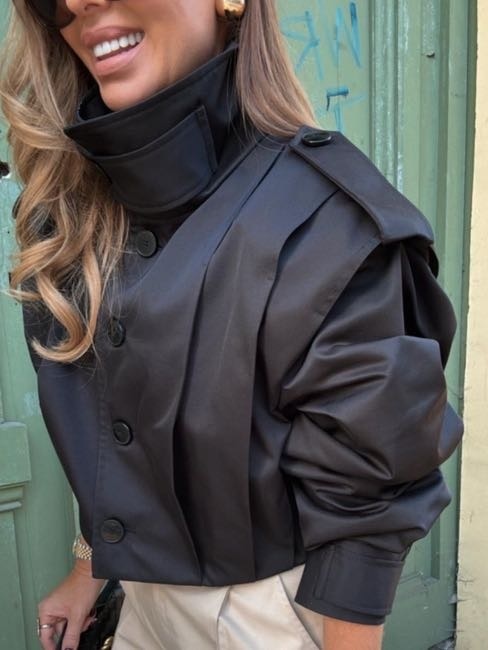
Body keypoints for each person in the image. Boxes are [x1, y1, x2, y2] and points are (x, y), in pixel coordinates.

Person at [0, 1, 463, 649]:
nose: (77, 2)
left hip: (268, 615)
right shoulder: (67, 214)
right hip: (138, 601)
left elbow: (366, 505)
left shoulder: (323, 217)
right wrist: (90, 565)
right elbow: (120, 432)